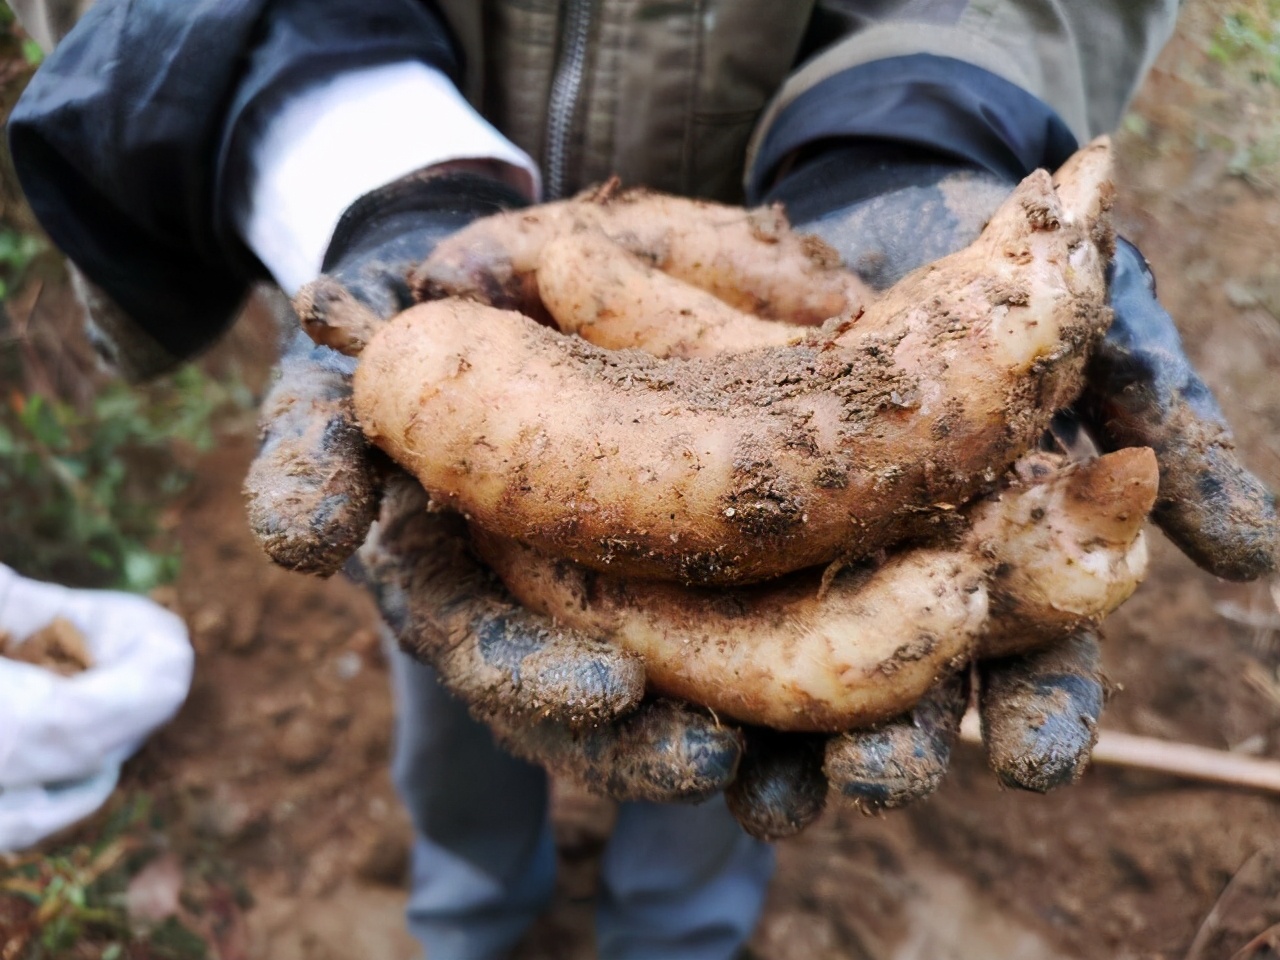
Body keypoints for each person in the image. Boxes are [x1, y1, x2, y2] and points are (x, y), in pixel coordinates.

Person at [6, 2, 1276, 958]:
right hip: (466, 304)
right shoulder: (449, 352)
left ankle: (670, 937)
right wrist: (355, 149)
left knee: (730, 756)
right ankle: (467, 915)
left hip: (790, 222)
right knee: (468, 664)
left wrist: (920, 118)